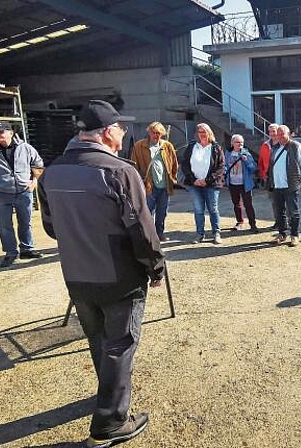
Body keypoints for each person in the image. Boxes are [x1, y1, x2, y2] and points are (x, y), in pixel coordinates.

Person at [37, 100, 164, 447]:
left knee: (99, 340)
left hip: (77, 274)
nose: (123, 132)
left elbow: (51, 228)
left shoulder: (51, 172)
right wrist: (155, 267)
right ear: (108, 133)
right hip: (119, 275)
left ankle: (107, 394)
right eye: (120, 127)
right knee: (120, 344)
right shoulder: (120, 171)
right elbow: (142, 230)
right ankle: (109, 423)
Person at [0, 121, 44, 268]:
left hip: (24, 191)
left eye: (1, 132)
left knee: (25, 222)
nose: (0, 136)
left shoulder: (25, 148)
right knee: (5, 225)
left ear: (10, 133)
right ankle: (11, 253)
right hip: (3, 193)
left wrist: (34, 182)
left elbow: (38, 164)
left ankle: (27, 249)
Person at [130, 121, 178, 242]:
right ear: (149, 132)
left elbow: (174, 164)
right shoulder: (139, 146)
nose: (155, 135)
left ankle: (159, 233)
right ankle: (147, 234)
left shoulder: (167, 146)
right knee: (147, 212)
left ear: (162, 134)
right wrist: (139, 182)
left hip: (165, 185)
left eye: (158, 133)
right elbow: (134, 165)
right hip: (148, 185)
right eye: (153, 132)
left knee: (162, 211)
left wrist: (172, 179)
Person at [181, 123, 225, 244]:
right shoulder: (191, 147)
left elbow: (220, 167)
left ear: (209, 133)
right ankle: (200, 234)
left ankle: (216, 233)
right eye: (200, 132)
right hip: (194, 184)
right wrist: (193, 179)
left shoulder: (216, 148)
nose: (202, 134)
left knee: (213, 209)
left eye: (204, 131)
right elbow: (184, 164)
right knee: (199, 209)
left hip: (211, 184)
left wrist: (207, 180)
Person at [267, 125, 301, 247]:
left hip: (290, 185)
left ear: (288, 134)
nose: (280, 136)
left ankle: (294, 235)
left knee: (293, 211)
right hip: (277, 186)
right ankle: (282, 233)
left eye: (282, 134)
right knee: (279, 212)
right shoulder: (275, 148)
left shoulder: (295, 146)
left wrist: (299, 181)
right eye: (278, 134)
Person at [226, 134, 259, 233]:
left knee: (248, 204)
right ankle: (239, 222)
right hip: (232, 183)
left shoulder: (246, 153)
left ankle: (253, 224)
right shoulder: (228, 153)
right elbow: (224, 165)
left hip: (245, 184)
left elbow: (253, 168)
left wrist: (247, 161)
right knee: (236, 204)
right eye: (237, 142)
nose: (240, 144)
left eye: (241, 142)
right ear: (232, 143)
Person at [258, 123, 281, 229]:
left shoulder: (283, 144)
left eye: (274, 131)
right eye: (270, 131)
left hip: (282, 178)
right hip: (270, 178)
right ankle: (278, 222)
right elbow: (261, 162)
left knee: (284, 201)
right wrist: (263, 175)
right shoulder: (265, 145)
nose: (272, 133)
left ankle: (287, 222)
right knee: (274, 202)